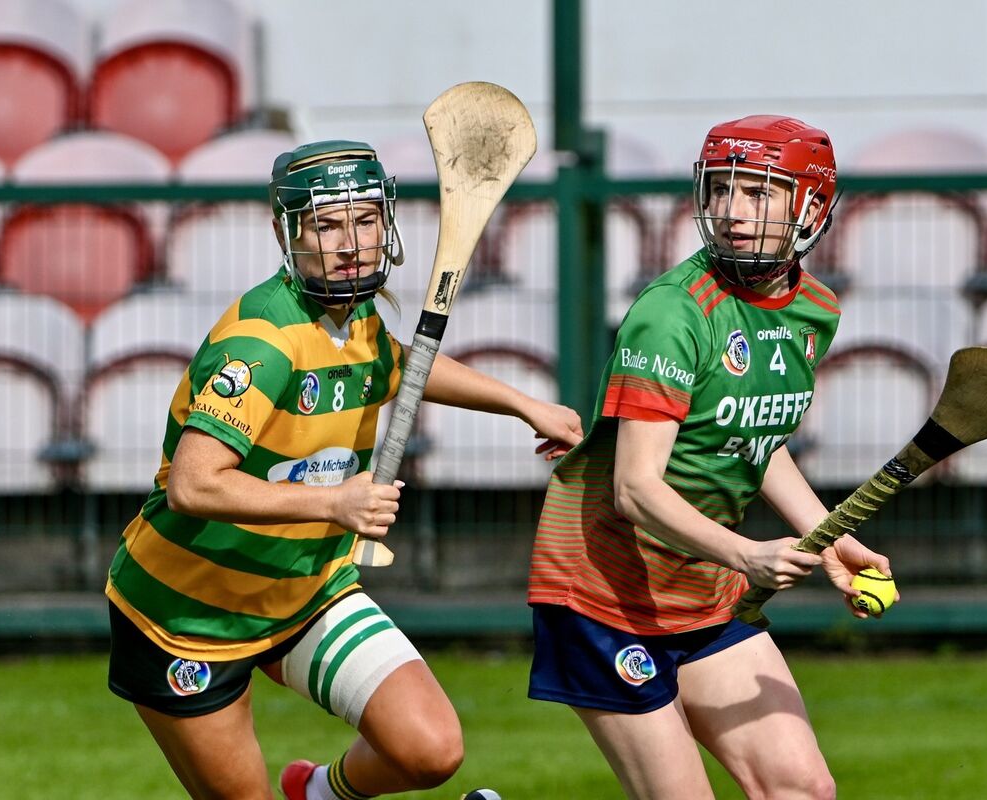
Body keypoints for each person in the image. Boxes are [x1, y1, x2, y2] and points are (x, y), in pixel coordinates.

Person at [104, 139, 583, 800]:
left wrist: (524, 404)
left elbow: (401, 365)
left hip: (307, 591)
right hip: (189, 617)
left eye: (365, 220)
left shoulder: (356, 317)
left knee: (430, 752)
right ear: (286, 232)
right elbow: (194, 485)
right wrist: (334, 505)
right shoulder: (263, 343)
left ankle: (321, 794)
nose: (351, 241)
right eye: (328, 225)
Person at [527, 115, 897, 800]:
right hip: (602, 595)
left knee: (802, 788)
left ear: (810, 207)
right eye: (722, 189)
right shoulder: (672, 313)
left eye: (757, 194)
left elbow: (753, 437)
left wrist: (835, 538)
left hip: (701, 589)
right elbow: (634, 489)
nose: (731, 211)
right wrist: (746, 554)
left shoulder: (814, 309)